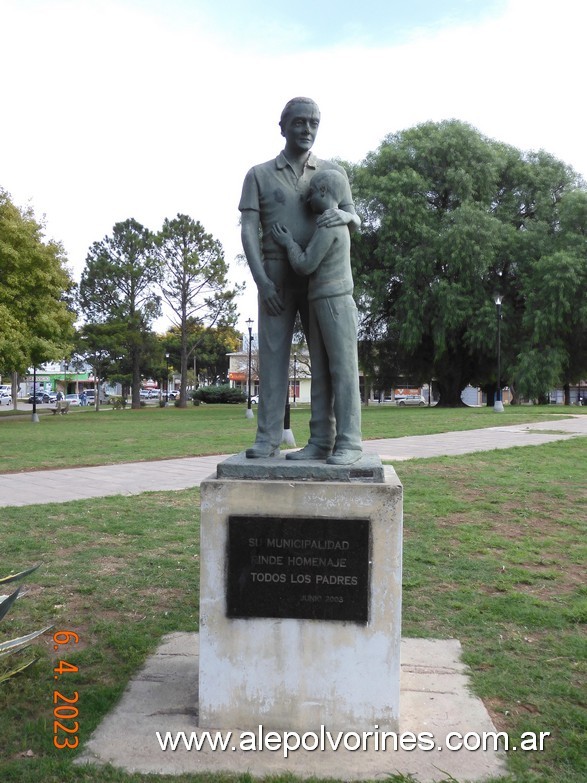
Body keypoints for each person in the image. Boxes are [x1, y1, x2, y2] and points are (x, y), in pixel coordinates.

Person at [239, 97, 360, 459]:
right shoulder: (259, 174)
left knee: (323, 363)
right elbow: (248, 230)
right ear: (283, 127)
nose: (307, 129)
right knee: (272, 359)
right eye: (299, 122)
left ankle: (323, 439)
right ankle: (267, 437)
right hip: (276, 274)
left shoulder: (332, 173)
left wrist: (345, 217)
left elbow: (354, 218)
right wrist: (262, 281)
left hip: (319, 276)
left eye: (313, 123)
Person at [271, 169, 362, 465]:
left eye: (311, 193)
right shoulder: (331, 221)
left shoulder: (330, 223)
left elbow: (305, 265)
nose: (308, 199)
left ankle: (350, 443)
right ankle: (321, 442)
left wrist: (288, 243)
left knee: (344, 374)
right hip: (320, 301)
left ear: (323, 191)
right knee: (321, 375)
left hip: (336, 302)